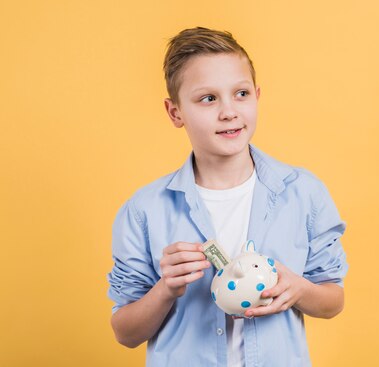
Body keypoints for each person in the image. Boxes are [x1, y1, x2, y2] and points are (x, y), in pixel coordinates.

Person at [106, 27, 348, 367]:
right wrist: (166, 289)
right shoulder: (144, 211)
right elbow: (125, 333)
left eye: (241, 93)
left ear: (257, 95)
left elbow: (333, 301)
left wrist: (299, 290)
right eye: (208, 98)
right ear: (175, 112)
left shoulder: (303, 193)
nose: (229, 112)